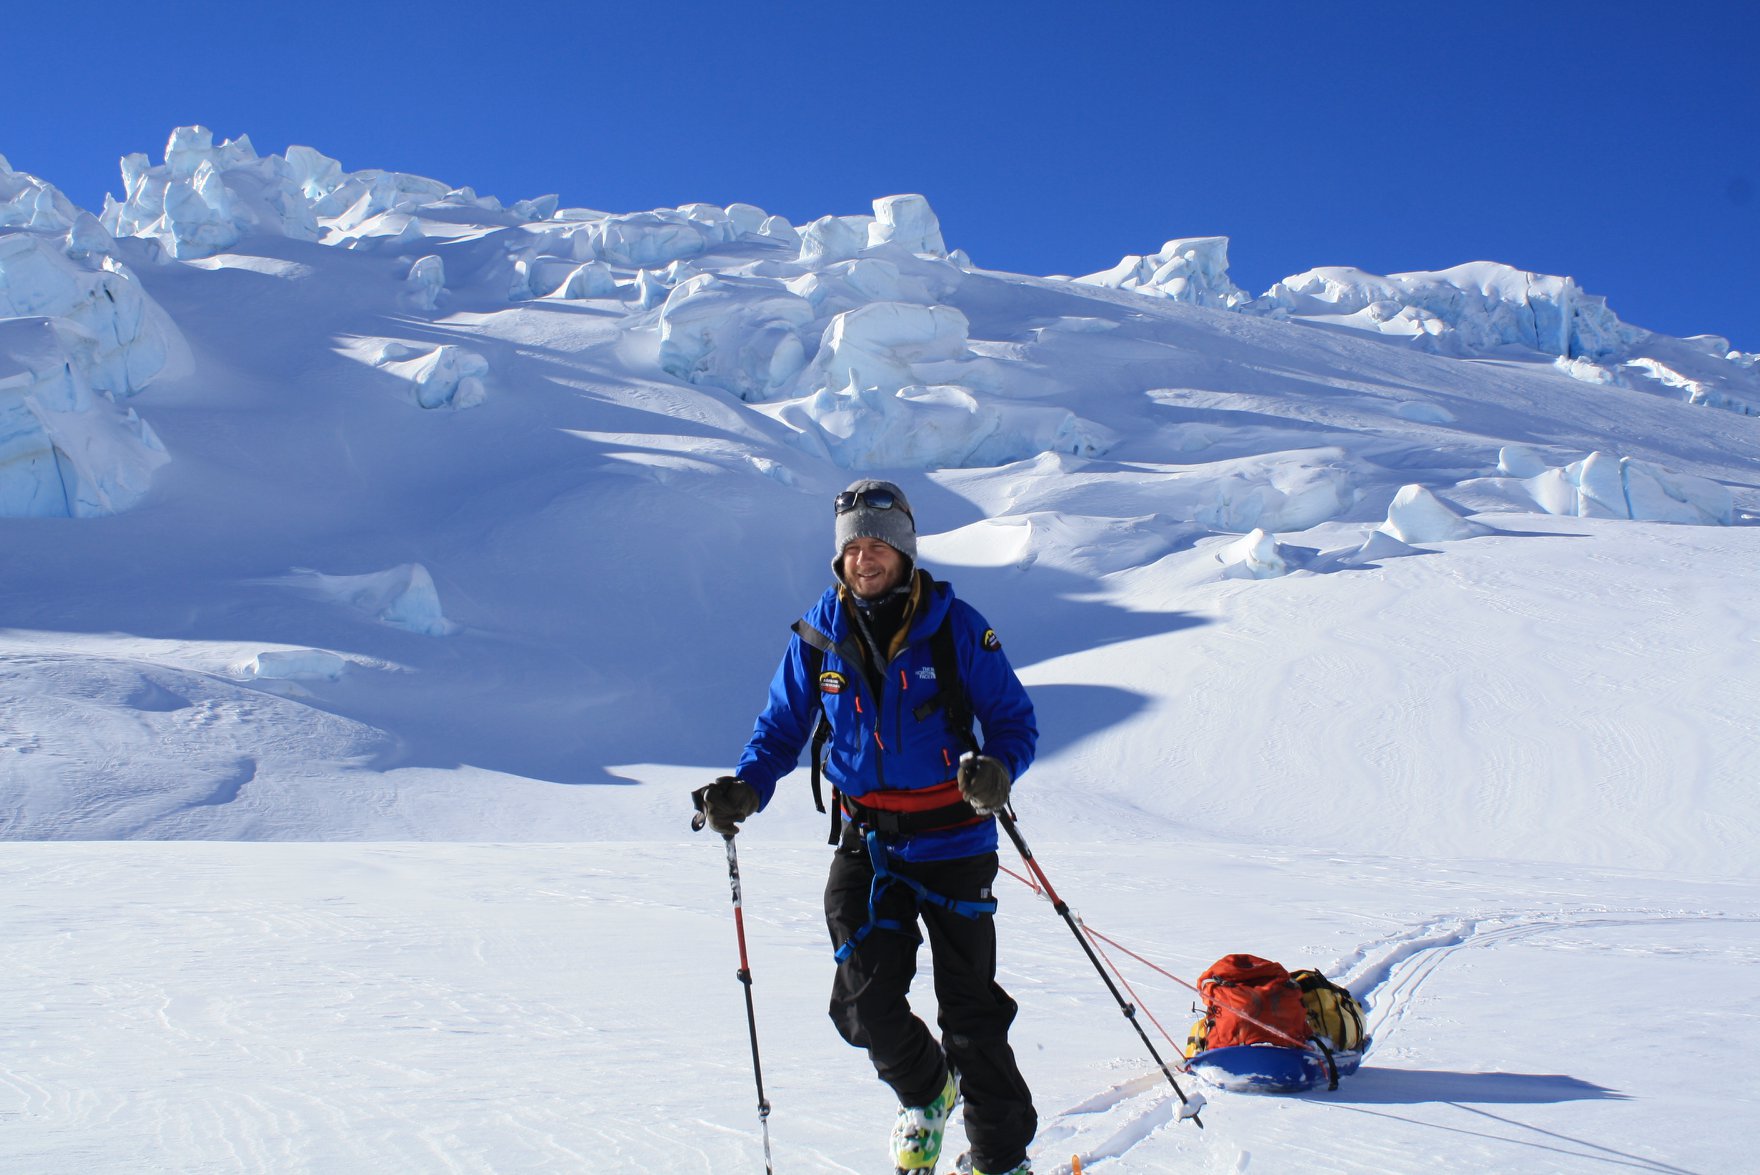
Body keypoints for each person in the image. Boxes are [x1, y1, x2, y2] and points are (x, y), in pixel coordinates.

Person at [695, 478, 1038, 1175]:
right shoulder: (819, 632)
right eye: (855, 545)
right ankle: (927, 1091)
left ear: (905, 549)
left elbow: (1014, 720)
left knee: (971, 1016)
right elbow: (780, 729)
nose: (866, 556)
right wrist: (744, 788)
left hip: (955, 841)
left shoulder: (958, 627)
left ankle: (1001, 1159)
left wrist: (996, 771)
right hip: (870, 843)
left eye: (879, 542)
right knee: (861, 1003)